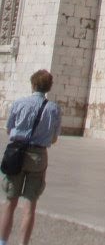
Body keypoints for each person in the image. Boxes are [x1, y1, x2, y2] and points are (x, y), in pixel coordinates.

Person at [1, 70, 61, 245]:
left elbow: (9, 129)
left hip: (16, 153)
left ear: (33, 84)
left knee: (10, 202)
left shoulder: (19, 103)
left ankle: (3, 242)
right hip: (38, 156)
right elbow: (54, 138)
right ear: (49, 87)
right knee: (29, 206)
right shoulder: (54, 109)